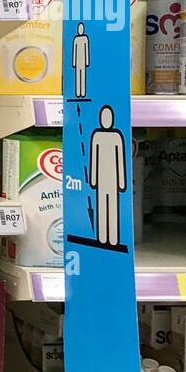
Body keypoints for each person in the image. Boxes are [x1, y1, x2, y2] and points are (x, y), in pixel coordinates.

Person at [89, 105, 126, 247]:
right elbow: (94, 158)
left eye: (108, 118)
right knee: (102, 206)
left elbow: (120, 160)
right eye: (104, 118)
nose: (106, 121)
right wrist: (93, 179)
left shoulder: (117, 136)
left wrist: (121, 182)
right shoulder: (97, 136)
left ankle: (114, 238)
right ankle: (102, 237)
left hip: (113, 179)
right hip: (102, 179)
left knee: (113, 208)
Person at [71, 22, 90, 99]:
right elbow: (74, 51)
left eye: (81, 29)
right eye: (79, 29)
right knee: (77, 76)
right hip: (78, 61)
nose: (80, 30)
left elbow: (87, 51)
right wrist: (73, 63)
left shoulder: (85, 38)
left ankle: (83, 93)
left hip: (83, 61)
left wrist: (87, 62)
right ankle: (78, 93)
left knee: (83, 76)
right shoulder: (76, 39)